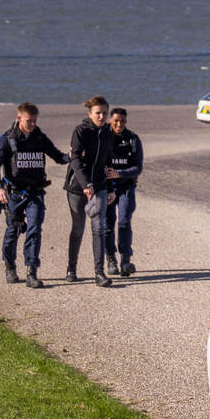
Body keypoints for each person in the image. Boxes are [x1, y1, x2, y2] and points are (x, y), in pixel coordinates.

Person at [0, 102, 69, 288]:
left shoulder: (40, 138)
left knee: (34, 229)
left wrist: (72, 155)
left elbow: (58, 157)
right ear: (19, 119)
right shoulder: (7, 139)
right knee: (13, 230)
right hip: (14, 194)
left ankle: (31, 271)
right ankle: (10, 266)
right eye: (29, 121)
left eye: (34, 121)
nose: (32, 124)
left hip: (35, 194)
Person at [65, 95, 114, 287]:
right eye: (98, 113)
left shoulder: (108, 133)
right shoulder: (80, 131)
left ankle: (99, 273)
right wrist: (85, 184)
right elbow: (75, 160)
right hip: (77, 187)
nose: (101, 116)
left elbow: (108, 161)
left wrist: (110, 188)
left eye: (104, 113)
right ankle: (71, 267)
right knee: (78, 228)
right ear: (90, 114)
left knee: (99, 228)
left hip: (100, 187)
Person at [103, 107, 143, 277]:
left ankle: (125, 259)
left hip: (126, 187)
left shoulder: (133, 139)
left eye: (122, 121)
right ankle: (110, 258)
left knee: (124, 222)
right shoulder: (103, 137)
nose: (119, 124)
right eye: (116, 121)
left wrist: (121, 173)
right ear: (110, 120)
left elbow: (138, 167)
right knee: (108, 224)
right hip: (107, 188)